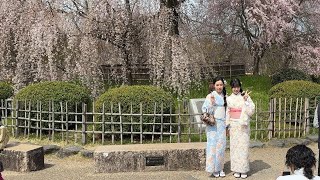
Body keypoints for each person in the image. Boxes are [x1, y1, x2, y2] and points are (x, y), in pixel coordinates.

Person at [226, 78, 255, 179]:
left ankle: (243, 169)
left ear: (240, 87)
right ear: (231, 88)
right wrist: (227, 125)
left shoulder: (245, 96)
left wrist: (246, 101)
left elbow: (251, 111)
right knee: (234, 148)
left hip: (243, 125)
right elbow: (227, 112)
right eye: (234, 87)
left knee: (243, 147)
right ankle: (236, 169)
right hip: (233, 125)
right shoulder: (228, 98)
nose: (236, 89)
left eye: (237, 87)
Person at [202, 76, 227, 177]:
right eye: (217, 85)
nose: (219, 87)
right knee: (212, 145)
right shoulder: (210, 96)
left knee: (221, 146)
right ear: (214, 85)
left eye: (221, 85)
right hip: (213, 124)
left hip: (222, 124)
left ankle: (220, 167)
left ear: (223, 85)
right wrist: (211, 104)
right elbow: (205, 110)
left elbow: (227, 110)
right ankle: (213, 169)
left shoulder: (225, 96)